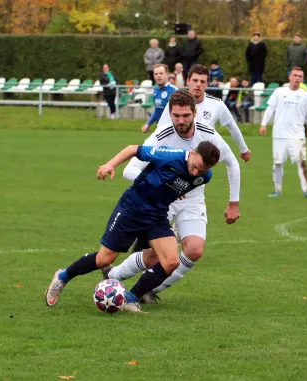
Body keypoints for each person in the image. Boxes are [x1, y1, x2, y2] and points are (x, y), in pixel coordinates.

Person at [44, 93, 221, 312]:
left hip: (157, 215)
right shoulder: (169, 156)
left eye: (201, 170)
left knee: (171, 261)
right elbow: (132, 149)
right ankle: (62, 276)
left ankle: (129, 297)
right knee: (103, 259)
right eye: (194, 166)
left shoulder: (205, 176)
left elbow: (182, 186)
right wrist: (110, 165)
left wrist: (177, 191)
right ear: (192, 153)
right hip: (132, 209)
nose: (195, 172)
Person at [105, 90, 242, 303]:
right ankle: (113, 277)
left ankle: (150, 289)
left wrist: (234, 202)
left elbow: (232, 163)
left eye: (186, 115)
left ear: (195, 113)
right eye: (176, 116)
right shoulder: (161, 136)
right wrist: (164, 187)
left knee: (195, 250)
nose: (181, 120)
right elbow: (129, 171)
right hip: (163, 202)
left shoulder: (208, 135)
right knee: (155, 254)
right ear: (170, 114)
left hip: (193, 200)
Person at [157, 64, 252, 162]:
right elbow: (160, 130)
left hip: (201, 163)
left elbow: (232, 126)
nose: (198, 84)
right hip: (176, 159)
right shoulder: (175, 102)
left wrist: (244, 149)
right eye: (195, 80)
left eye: (202, 81)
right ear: (188, 81)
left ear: (207, 84)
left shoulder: (217, 105)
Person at [259, 67, 307, 198]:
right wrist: (263, 124)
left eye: (300, 76)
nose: (297, 78)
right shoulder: (279, 92)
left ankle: (306, 190)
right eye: (295, 75)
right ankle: (277, 190)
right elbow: (270, 108)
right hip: (279, 134)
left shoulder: (305, 96)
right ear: (290, 77)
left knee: (301, 161)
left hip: (297, 135)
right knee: (278, 163)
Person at [141, 64, 178, 133]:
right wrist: (148, 124)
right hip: (160, 129)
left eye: (161, 73)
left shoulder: (174, 91)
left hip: (173, 130)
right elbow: (157, 109)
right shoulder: (155, 90)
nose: (158, 76)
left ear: (167, 74)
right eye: (156, 74)